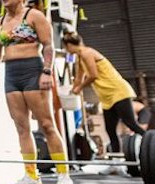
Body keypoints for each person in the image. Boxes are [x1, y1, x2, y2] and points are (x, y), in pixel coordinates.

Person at [0, 0, 75, 184]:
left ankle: (64, 176)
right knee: (21, 128)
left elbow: (48, 45)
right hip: (11, 74)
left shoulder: (34, 16)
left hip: (33, 70)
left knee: (47, 124)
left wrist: (47, 72)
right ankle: (31, 175)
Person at [62, 32, 146, 168]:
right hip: (107, 97)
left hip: (118, 91)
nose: (67, 51)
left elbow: (93, 75)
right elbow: (79, 78)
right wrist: (72, 90)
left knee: (130, 123)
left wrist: (80, 88)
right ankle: (116, 164)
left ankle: (154, 143)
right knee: (110, 129)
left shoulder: (87, 53)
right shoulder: (79, 58)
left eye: (66, 48)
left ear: (70, 45)